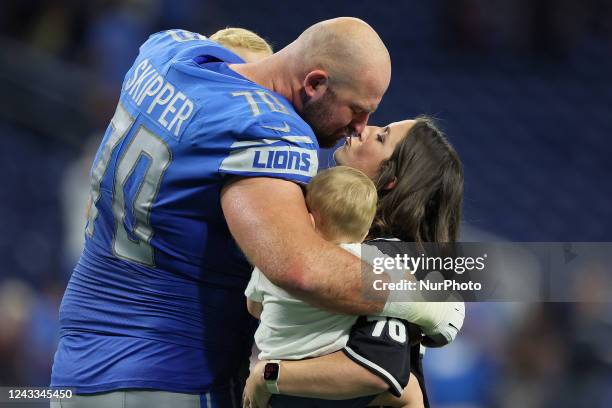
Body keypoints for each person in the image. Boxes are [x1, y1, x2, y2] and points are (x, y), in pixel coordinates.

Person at [50, 18, 460, 408]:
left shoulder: (165, 51)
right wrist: (421, 297)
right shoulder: (268, 130)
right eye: (356, 111)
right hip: (168, 376)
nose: (360, 127)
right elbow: (299, 267)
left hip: (75, 365)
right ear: (315, 83)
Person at [243, 116, 464, 408]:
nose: (364, 129)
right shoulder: (337, 237)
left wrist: (268, 376)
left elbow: (379, 370)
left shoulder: (390, 256)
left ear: (392, 179)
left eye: (381, 138)